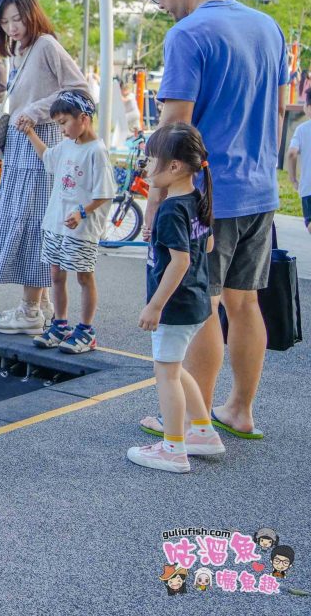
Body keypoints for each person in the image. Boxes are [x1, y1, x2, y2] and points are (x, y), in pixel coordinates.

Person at [138, 0, 287, 441]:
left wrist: (155, 200)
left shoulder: (188, 35)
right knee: (245, 304)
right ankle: (239, 411)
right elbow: (280, 110)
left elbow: (173, 129)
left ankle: (193, 420)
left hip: (207, 196)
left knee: (202, 305)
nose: (158, 1)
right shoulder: (268, 27)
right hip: (260, 189)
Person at [0, 0, 89, 335]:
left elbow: (80, 90)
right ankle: (39, 304)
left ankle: (30, 308)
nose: (12, 27)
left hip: (40, 142)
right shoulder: (19, 48)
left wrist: (35, 110)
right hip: (23, 145)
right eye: (5, 22)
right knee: (28, 221)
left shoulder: (46, 44)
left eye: (17, 19)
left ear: (32, 14)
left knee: (32, 225)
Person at [130, 123, 224, 473]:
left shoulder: (171, 209)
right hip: (196, 302)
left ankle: (173, 449)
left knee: (165, 373)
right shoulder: (195, 200)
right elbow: (208, 245)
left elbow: (180, 262)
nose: (146, 163)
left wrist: (155, 305)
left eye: (152, 158)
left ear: (174, 167)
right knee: (175, 367)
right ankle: (202, 431)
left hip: (175, 306)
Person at [17, 90, 115, 353]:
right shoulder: (68, 145)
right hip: (55, 224)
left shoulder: (97, 151)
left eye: (64, 123)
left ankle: (86, 330)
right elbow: (48, 158)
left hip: (80, 228)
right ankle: (60, 325)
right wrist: (30, 134)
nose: (61, 129)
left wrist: (82, 212)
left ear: (83, 119)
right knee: (56, 275)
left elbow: (105, 193)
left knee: (84, 276)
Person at [285, 92, 311, 234]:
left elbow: (292, 153)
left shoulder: (302, 129)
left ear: (308, 107)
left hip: (308, 187)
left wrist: (293, 178)